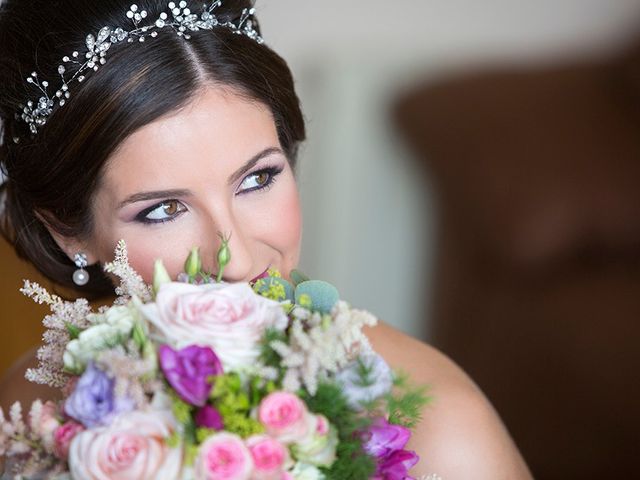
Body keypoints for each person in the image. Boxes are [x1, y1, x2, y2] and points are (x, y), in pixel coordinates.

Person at [0, 0, 531, 477]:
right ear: (66, 231)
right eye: (163, 210)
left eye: (257, 178)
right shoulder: (30, 413)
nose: (235, 259)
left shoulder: (442, 430)